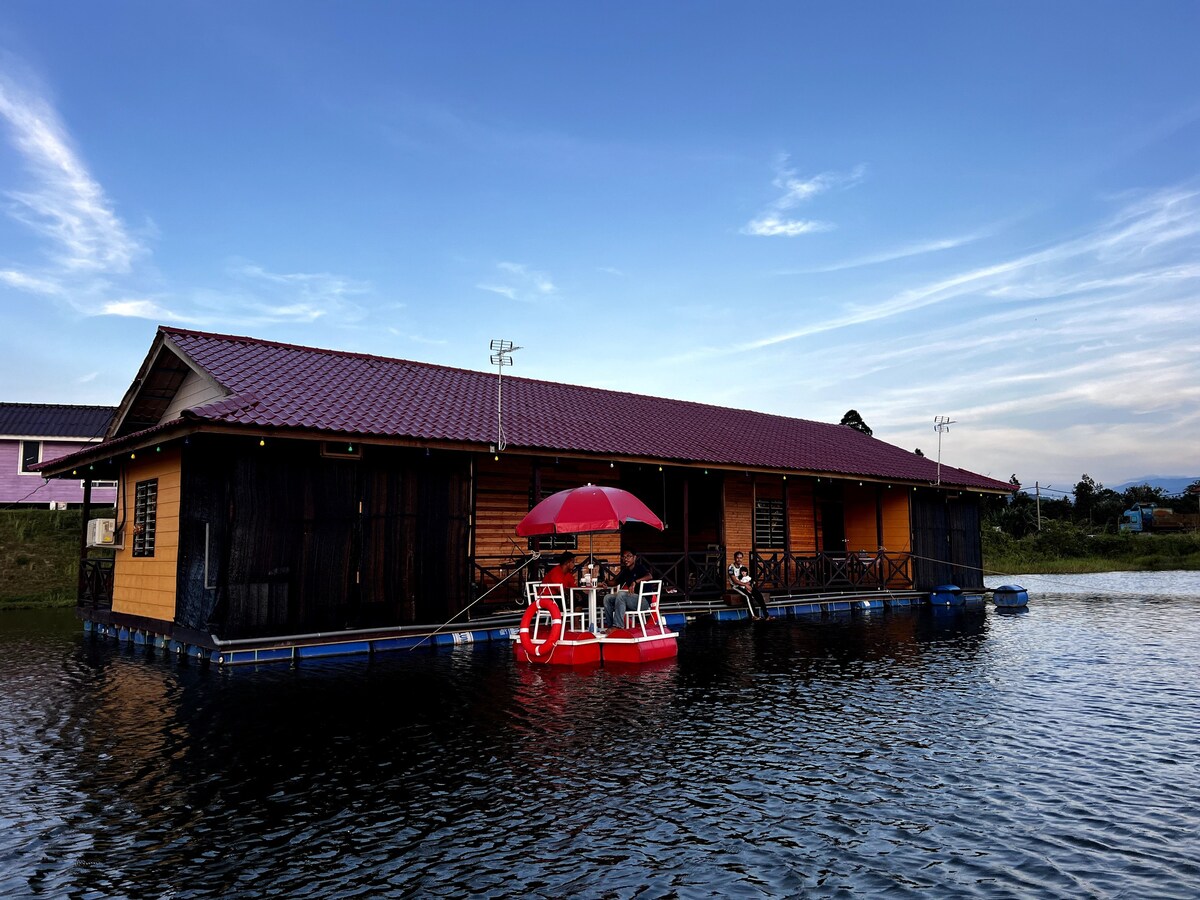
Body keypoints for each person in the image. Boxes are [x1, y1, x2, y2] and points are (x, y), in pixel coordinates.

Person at [602, 548, 653, 629]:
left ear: (634, 557)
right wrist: (606, 582)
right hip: (631, 600)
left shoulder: (640, 567)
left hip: (643, 601)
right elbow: (615, 582)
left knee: (621, 594)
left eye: (628, 556)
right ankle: (611, 626)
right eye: (624, 557)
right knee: (607, 597)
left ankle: (618, 626)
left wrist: (635, 582)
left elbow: (649, 576)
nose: (626, 559)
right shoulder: (625, 571)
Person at [728, 551, 768, 620]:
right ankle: (754, 616)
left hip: (744, 584)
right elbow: (735, 581)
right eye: (737, 558)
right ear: (734, 558)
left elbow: (746, 577)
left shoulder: (742, 567)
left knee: (758, 594)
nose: (739, 559)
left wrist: (749, 584)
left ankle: (766, 616)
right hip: (736, 586)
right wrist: (746, 585)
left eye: (740, 558)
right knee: (748, 596)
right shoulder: (731, 567)